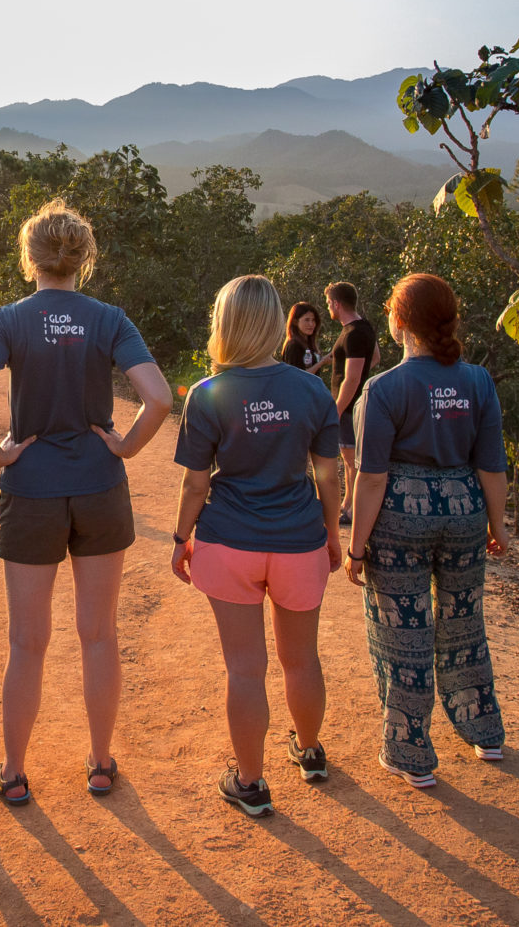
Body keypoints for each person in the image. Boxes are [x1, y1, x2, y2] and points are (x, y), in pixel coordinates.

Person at [0, 199, 172, 805]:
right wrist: (124, 447)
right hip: (100, 488)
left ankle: (15, 774)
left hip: (32, 491)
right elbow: (158, 398)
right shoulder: (108, 318)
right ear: (83, 260)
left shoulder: (9, 320)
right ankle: (100, 764)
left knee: (28, 641)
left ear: (31, 260)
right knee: (98, 635)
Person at [170, 276, 342, 818]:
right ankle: (310, 753)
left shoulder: (208, 394)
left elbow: (196, 484)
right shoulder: (312, 390)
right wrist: (333, 535)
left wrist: (181, 539)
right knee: (301, 658)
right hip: (299, 542)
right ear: (274, 323)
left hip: (230, 543)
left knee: (245, 670)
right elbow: (329, 476)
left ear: (224, 324)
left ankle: (250, 783)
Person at [344, 272, 509, 789]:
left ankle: (411, 753)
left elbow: (372, 478)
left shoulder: (384, 388)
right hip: (464, 514)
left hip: (400, 522)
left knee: (404, 638)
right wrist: (496, 525)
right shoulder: (478, 381)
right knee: (464, 625)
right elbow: (492, 467)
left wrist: (355, 547)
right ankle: (484, 732)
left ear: (396, 323)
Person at [327, 283, 380, 526]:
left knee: (351, 461)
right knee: (349, 460)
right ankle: (348, 504)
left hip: (348, 406)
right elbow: (375, 358)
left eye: (329, 303)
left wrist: (337, 409)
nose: (329, 307)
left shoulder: (354, 333)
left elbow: (353, 377)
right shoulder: (363, 327)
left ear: (337, 303)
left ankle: (350, 508)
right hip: (350, 403)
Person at [277, 302, 324, 374]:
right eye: (307, 320)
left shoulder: (308, 343)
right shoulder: (294, 345)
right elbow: (298, 376)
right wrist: (322, 362)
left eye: (313, 320)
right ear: (295, 322)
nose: (311, 324)